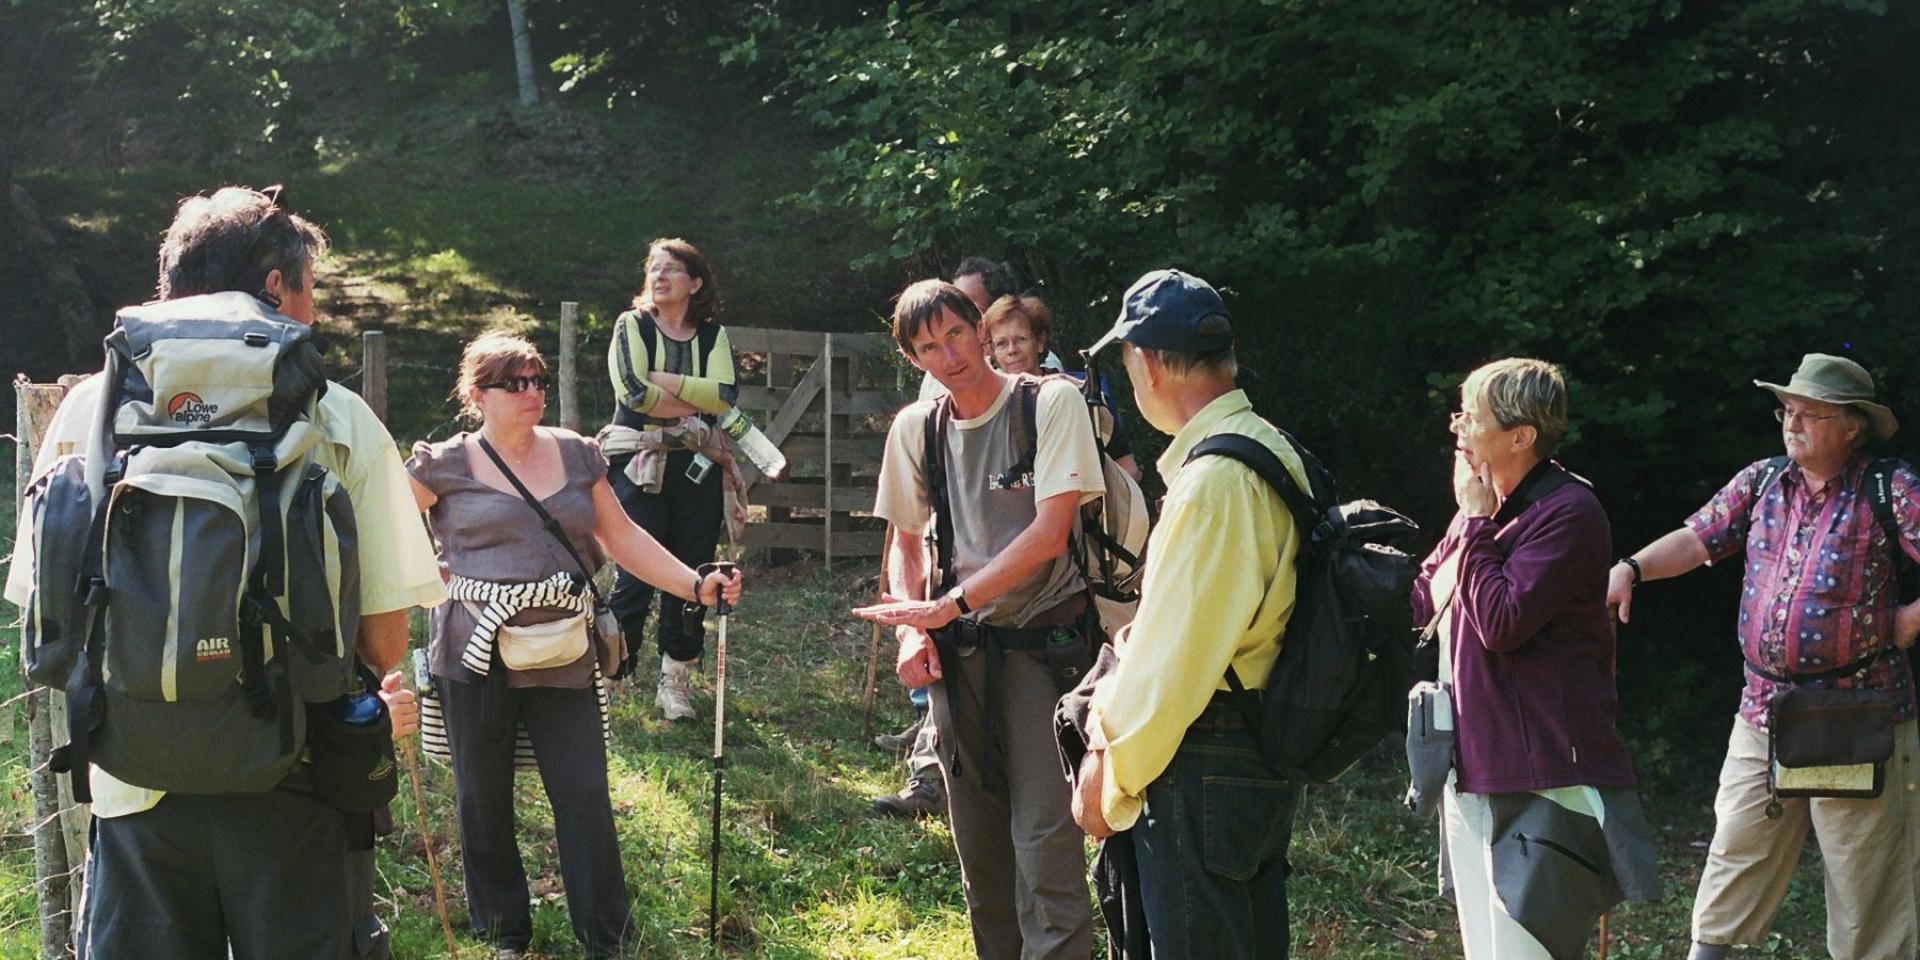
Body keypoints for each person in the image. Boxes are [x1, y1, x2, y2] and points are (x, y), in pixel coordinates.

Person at [3, 185, 447, 959]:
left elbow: (42, 607)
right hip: (294, 775)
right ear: (277, 287)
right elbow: (382, 639)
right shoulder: (335, 415)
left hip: (131, 775)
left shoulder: (91, 414)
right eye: (311, 289)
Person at [408, 332, 742, 957]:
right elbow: (387, 536)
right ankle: (504, 933)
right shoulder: (441, 464)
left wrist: (696, 586)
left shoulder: (575, 453)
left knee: (583, 790)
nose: (533, 393)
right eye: (517, 383)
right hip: (472, 648)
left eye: (538, 380)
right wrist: (428, 584)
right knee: (482, 796)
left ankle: (605, 936)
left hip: (562, 645)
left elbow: (623, 538)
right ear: (478, 395)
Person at [1609, 352, 1920, 960]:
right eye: (1787, 411)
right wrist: (1632, 568)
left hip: (1857, 715)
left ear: (1852, 425)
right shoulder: (1762, 482)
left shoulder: (1891, 489)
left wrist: (1908, 621)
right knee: (1735, 852)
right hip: (1764, 710)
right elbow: (1698, 538)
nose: (1792, 424)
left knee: (1867, 885)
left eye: (1809, 414)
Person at [855, 278, 1105, 959]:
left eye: (957, 335)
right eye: (928, 348)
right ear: (913, 359)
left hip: (1045, 650)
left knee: (1046, 847)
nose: (949, 357)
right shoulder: (917, 427)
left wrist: (947, 606)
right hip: (958, 660)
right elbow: (906, 543)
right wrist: (914, 630)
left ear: (981, 327)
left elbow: (1052, 531)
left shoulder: (1051, 403)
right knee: (983, 861)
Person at [1069, 269, 1301, 957]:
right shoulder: (1273, 450)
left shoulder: (1213, 484)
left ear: (1147, 362)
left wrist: (1105, 781)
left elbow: (1172, 670)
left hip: (1201, 760)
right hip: (1258, 752)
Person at [1410, 358, 1658, 958]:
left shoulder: (1568, 512)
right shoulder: (1485, 509)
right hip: (1472, 772)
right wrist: (1471, 525)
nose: (1459, 430)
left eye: (1471, 417)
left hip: (1546, 782)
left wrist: (1473, 525)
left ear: (1521, 436)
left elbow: (1501, 623)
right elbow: (1422, 601)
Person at [603, 237, 739, 720]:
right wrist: (694, 401)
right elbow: (635, 393)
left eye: (671, 270)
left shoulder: (712, 336)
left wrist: (667, 383)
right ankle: (613, 677)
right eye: (653, 269)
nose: (659, 277)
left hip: (697, 468)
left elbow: (724, 395)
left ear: (695, 283)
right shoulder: (632, 326)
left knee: (694, 573)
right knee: (635, 570)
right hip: (639, 463)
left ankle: (674, 684)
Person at [983, 293, 1141, 480]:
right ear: (991, 352)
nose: (1012, 350)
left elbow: (1127, 466)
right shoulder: (987, 407)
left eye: (1020, 339)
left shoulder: (1080, 391)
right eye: (1001, 344)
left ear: (1040, 342)